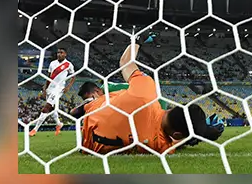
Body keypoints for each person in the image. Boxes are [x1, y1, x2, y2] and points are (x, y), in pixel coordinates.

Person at [78, 40, 225, 155]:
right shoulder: (160, 147)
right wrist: (203, 132)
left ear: (174, 107)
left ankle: (86, 105)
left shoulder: (146, 91)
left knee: (126, 92)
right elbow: (178, 142)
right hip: (87, 145)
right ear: (177, 134)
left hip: (91, 115)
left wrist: (139, 40)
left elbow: (125, 61)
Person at [28, 48, 75, 136]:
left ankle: (35, 129)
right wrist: (45, 88)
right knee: (52, 108)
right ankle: (59, 124)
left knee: (46, 108)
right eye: (58, 52)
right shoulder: (52, 63)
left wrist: (68, 87)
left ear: (65, 54)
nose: (59, 54)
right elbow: (49, 76)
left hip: (59, 89)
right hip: (50, 88)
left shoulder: (69, 64)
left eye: (61, 52)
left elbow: (73, 77)